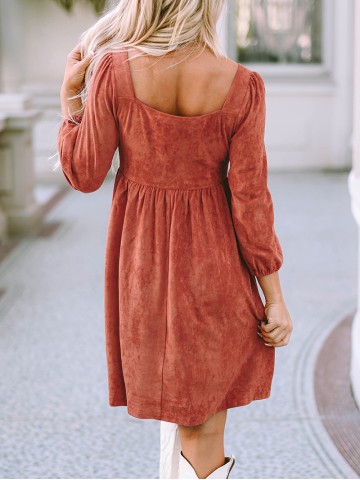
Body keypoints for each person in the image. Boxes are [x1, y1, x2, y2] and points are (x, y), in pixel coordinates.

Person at [56, 0, 293, 478]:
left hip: (141, 267)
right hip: (215, 267)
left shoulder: (113, 73)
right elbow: (251, 204)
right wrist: (275, 300)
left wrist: (70, 101)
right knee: (201, 427)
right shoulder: (242, 85)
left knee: (180, 417)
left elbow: (84, 173)